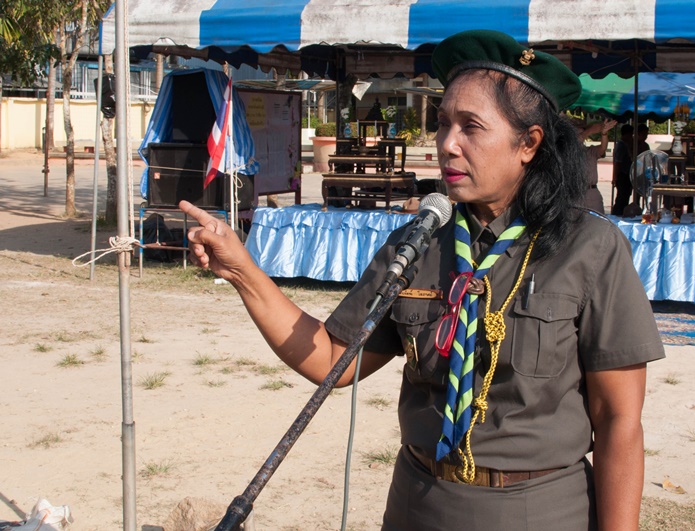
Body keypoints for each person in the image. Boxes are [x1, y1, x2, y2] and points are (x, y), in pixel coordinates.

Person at [179, 29, 664, 530]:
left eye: (471, 127)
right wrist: (242, 271)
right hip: (418, 505)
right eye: (443, 123)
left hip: (538, 511)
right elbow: (332, 360)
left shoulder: (590, 248)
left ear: (528, 143)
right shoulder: (416, 244)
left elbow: (619, 421)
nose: (447, 145)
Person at [577, 118, 617, 213]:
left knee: (598, 219)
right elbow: (574, 142)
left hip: (592, 191)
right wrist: (590, 130)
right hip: (576, 194)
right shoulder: (566, 152)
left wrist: (604, 134)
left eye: (581, 131)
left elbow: (603, 148)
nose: (581, 135)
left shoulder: (590, 151)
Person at [611, 124, 634, 216]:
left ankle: (620, 213)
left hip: (626, 175)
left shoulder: (626, 145)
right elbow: (618, 162)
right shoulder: (621, 146)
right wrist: (615, 177)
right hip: (622, 175)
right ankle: (617, 214)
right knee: (621, 198)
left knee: (625, 197)